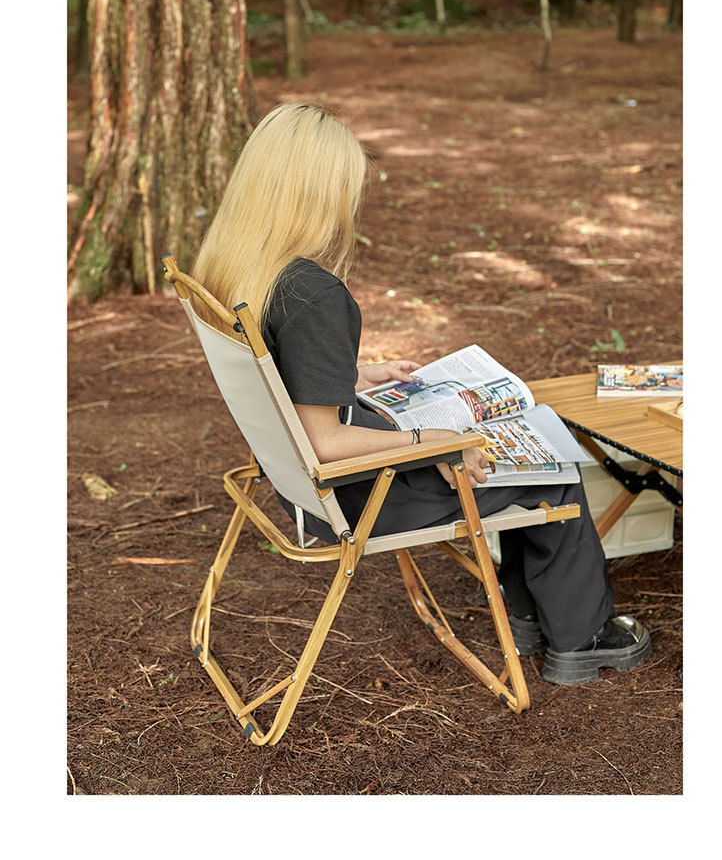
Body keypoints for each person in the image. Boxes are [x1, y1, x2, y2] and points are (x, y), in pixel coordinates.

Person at [192, 102, 652, 686]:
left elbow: (277, 377)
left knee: (505, 451)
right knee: (552, 472)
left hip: (296, 485)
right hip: (356, 494)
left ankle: (528, 619)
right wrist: (432, 442)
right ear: (318, 192)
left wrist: (353, 375)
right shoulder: (313, 295)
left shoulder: (238, 266)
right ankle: (581, 639)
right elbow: (324, 443)